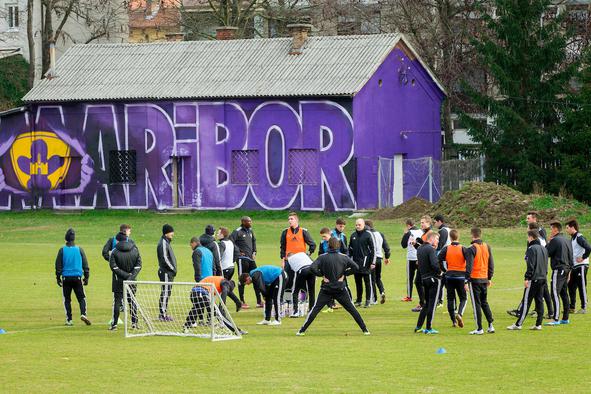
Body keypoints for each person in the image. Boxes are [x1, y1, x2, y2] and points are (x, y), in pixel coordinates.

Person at [296, 237, 370, 336]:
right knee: (352, 309)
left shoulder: (322, 257)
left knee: (315, 309)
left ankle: (302, 330)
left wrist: (321, 275)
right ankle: (365, 330)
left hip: (326, 288)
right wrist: (344, 274)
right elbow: (356, 267)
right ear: (338, 245)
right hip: (340, 288)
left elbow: (312, 268)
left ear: (328, 245)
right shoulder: (344, 257)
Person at [507, 230, 549, 331]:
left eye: (528, 237)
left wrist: (527, 277)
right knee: (539, 301)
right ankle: (538, 324)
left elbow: (531, 265)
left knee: (526, 301)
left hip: (534, 279)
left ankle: (518, 324)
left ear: (531, 237)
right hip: (543, 278)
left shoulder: (531, 248)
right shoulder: (544, 249)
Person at [55, 228, 91, 326]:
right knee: (81, 298)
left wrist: (58, 278)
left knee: (67, 299)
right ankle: (83, 314)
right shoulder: (79, 249)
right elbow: (85, 265)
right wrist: (86, 277)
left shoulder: (62, 250)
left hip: (66, 278)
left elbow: (58, 265)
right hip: (77, 278)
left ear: (66, 238)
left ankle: (69, 319)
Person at [437, 229, 471, 328]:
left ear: (450, 238)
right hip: (461, 277)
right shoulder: (464, 249)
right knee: (463, 298)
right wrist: (467, 276)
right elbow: (469, 263)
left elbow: (438, 259)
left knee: (450, 299)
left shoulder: (446, 249)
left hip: (449, 276)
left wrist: (444, 269)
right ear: (458, 237)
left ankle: (453, 321)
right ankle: (459, 314)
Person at [108, 232, 142, 331]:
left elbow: (114, 267)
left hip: (118, 281)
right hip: (132, 281)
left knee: (117, 302)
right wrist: (131, 276)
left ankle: (114, 324)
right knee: (132, 301)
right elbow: (139, 265)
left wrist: (124, 275)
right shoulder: (135, 249)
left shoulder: (114, 252)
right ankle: (134, 323)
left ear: (117, 240)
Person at [466, 227, 495, 335]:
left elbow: (469, 266)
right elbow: (491, 263)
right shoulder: (487, 246)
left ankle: (479, 328)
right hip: (484, 278)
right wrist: (489, 277)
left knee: (476, 304)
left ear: (472, 235)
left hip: (474, 279)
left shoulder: (471, 248)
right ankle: (491, 325)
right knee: (484, 302)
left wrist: (466, 280)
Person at [545, 221, 573, 326]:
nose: (550, 231)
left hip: (558, 269)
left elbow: (546, 253)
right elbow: (571, 256)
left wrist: (548, 241)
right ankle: (565, 318)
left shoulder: (555, 240)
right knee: (564, 293)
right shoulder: (567, 240)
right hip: (566, 269)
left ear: (556, 229)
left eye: (551, 229)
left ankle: (556, 318)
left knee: (555, 293)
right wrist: (570, 270)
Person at [230, 216, 262, 309]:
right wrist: (238, 251)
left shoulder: (250, 231)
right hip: (242, 258)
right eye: (249, 221)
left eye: (251, 221)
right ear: (243, 222)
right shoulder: (237, 231)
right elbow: (231, 242)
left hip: (251, 259)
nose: (250, 222)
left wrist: (254, 251)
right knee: (242, 279)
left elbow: (254, 241)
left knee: (256, 277)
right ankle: (242, 301)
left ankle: (259, 301)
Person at [414, 232, 442, 334]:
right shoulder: (431, 249)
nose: (438, 241)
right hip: (433, 279)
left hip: (424, 278)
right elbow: (434, 264)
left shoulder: (420, 248)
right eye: (437, 239)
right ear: (432, 239)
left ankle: (418, 327)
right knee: (432, 304)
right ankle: (429, 328)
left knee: (426, 304)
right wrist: (440, 272)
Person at [566, 219, 591, 314]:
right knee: (571, 285)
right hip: (574, 266)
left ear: (573, 227)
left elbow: (588, 247)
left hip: (581, 265)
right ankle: (572, 307)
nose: (566, 230)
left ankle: (584, 307)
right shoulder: (572, 238)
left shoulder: (579, 237)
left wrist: (583, 257)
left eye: (567, 228)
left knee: (581, 285)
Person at [349, 218, 375, 308]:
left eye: (359, 225)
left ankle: (368, 300)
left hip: (366, 263)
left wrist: (373, 262)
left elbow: (373, 249)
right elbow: (350, 250)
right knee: (358, 283)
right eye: (356, 225)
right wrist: (349, 262)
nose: (357, 226)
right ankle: (359, 300)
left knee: (367, 282)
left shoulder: (368, 234)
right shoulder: (353, 235)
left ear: (363, 225)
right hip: (356, 264)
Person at [365, 219, 391, 304]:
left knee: (372, 279)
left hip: (372, 259)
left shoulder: (367, 234)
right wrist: (387, 257)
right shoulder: (380, 234)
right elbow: (386, 248)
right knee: (378, 278)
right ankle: (382, 292)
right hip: (380, 259)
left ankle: (374, 299)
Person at [400, 219, 424, 305]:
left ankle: (409, 296)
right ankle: (423, 296)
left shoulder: (409, 233)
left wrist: (405, 233)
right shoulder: (421, 231)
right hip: (420, 257)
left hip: (411, 258)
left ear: (408, 225)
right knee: (421, 278)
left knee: (410, 278)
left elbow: (403, 245)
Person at [286, 252, 316, 317]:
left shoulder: (289, 260)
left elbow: (288, 274)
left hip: (302, 270)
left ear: (287, 257)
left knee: (295, 291)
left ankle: (295, 311)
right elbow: (313, 262)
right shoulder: (303, 254)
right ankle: (312, 311)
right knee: (311, 292)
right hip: (312, 270)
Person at [157, 224, 176, 321]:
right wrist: (172, 268)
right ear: (166, 232)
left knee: (166, 292)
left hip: (167, 272)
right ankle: (162, 314)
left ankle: (163, 313)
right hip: (166, 272)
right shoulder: (163, 243)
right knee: (165, 292)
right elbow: (165, 259)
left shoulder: (166, 242)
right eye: (171, 232)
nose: (173, 233)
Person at [434, 214, 451, 307]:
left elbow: (439, 246)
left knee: (441, 280)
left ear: (440, 221)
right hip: (449, 259)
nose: (435, 224)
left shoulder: (442, 231)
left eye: (435, 222)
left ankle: (440, 301)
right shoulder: (449, 230)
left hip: (444, 259)